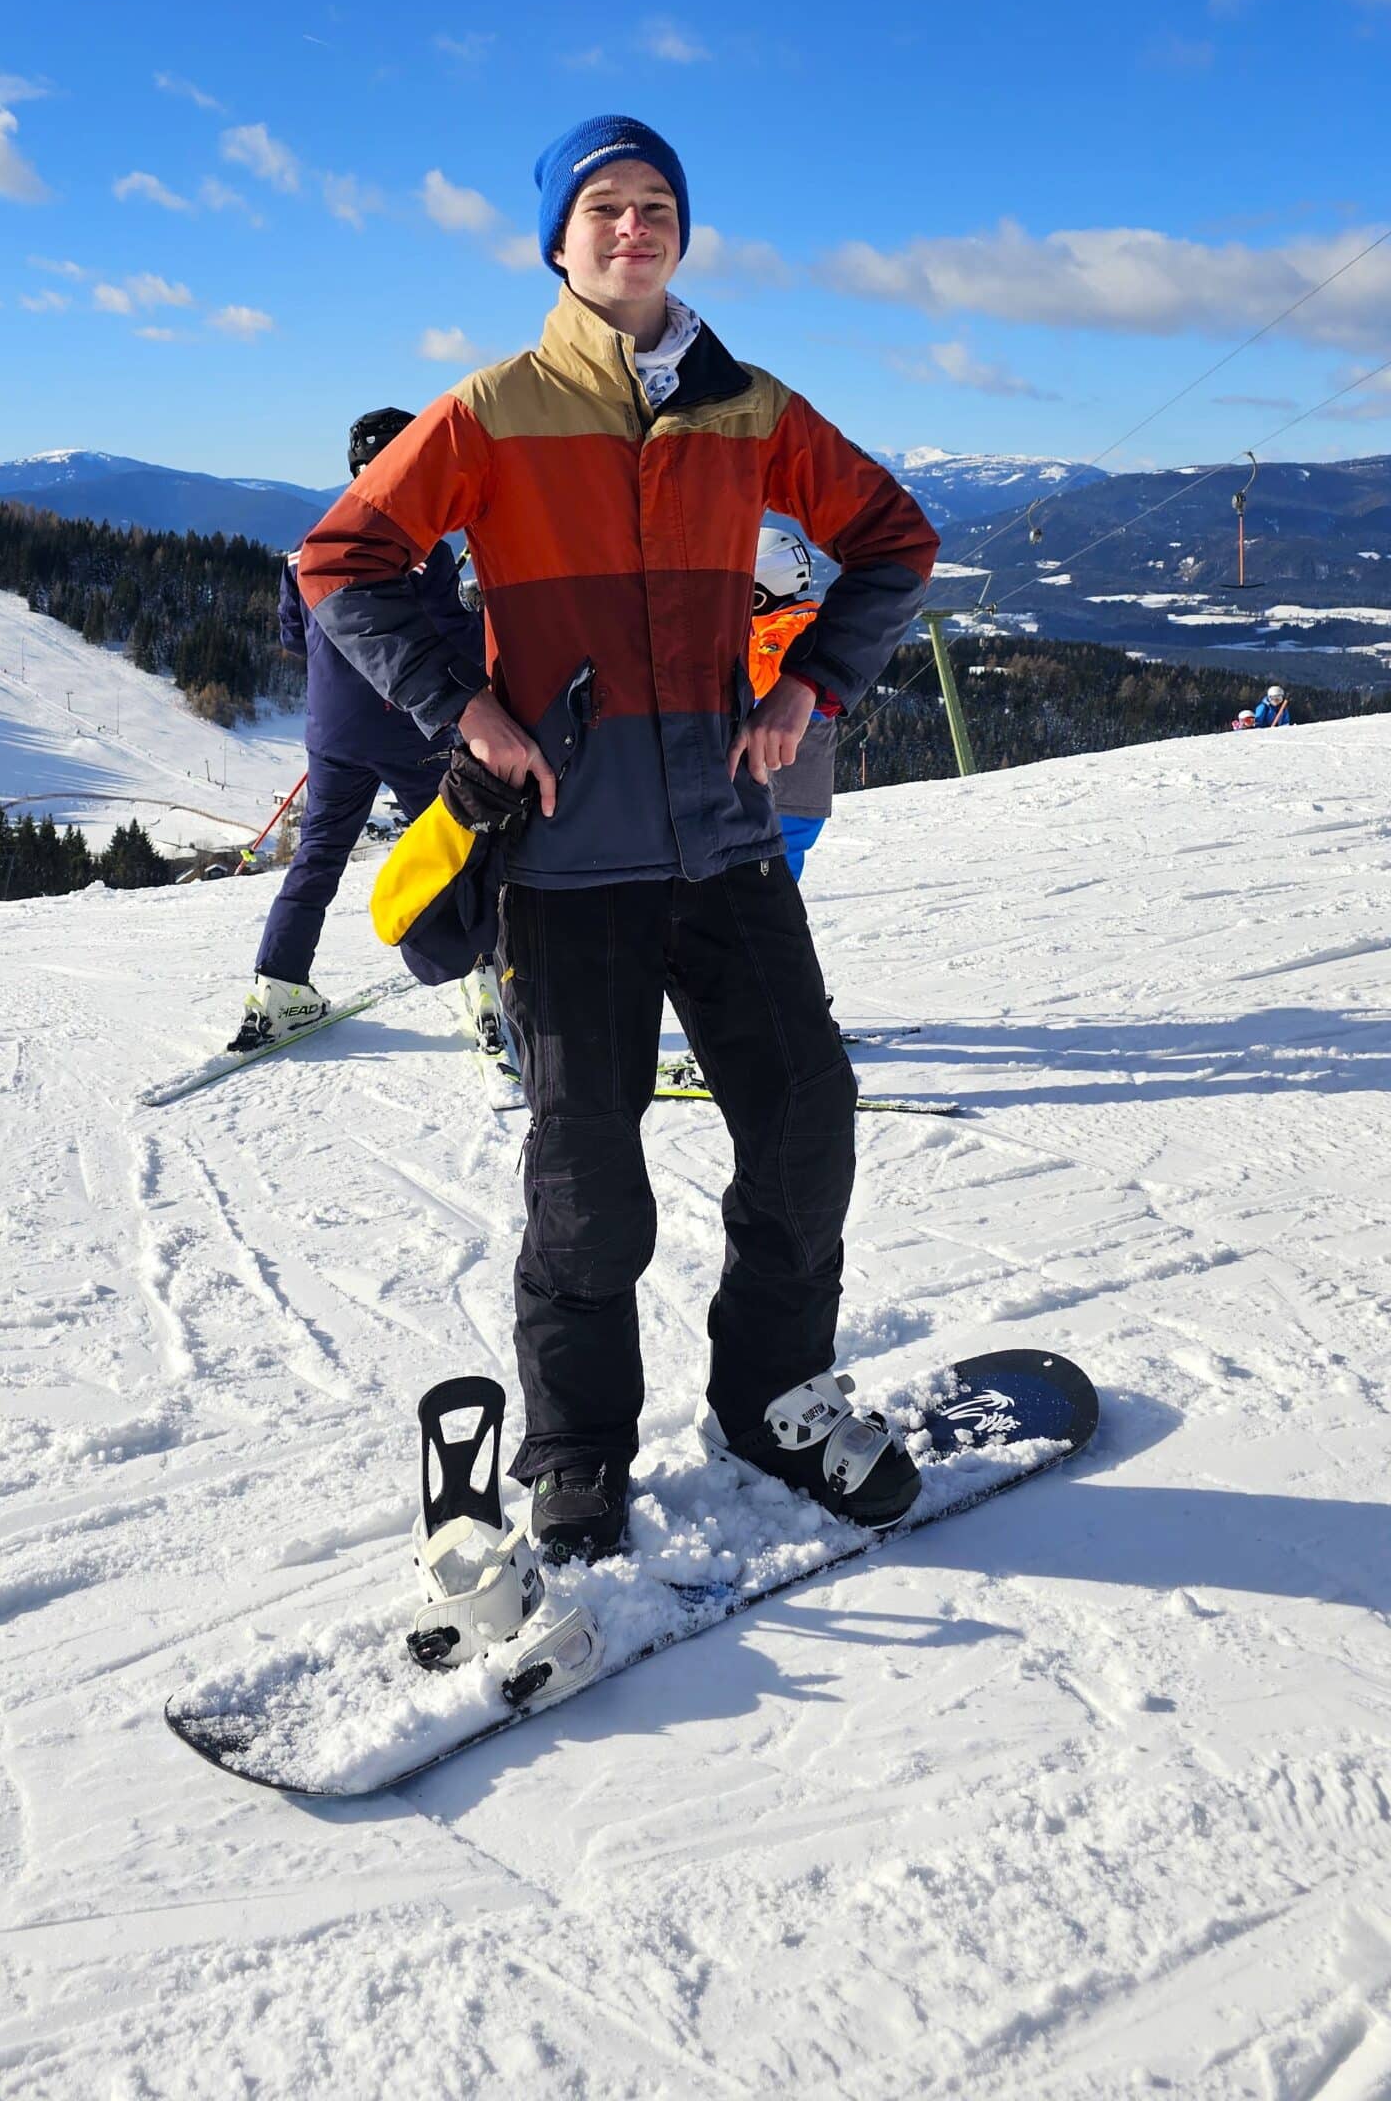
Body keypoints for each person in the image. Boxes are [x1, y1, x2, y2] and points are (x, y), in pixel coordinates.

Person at [299, 113, 941, 1563]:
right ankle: (579, 1451)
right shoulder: (496, 409)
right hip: (568, 859)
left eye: (655, 204)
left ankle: (775, 1394)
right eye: (605, 206)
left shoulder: (748, 407)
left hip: (725, 840)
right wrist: (466, 708)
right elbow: (342, 559)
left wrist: (813, 687)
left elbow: (894, 538)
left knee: (805, 1120)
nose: (633, 227)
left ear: (682, 231)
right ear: (560, 237)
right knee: (586, 1178)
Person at [228, 409, 486, 1053]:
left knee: (318, 855)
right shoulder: (424, 548)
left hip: (332, 733)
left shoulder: (310, 545)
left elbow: (296, 636)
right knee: (461, 851)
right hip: (415, 731)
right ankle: (488, 985)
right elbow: (457, 641)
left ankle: (277, 989)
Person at [748, 526, 837, 879]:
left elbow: (763, 678)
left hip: (789, 782)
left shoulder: (794, 626)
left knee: (773, 870)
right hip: (783, 779)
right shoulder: (779, 623)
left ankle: (771, 930)